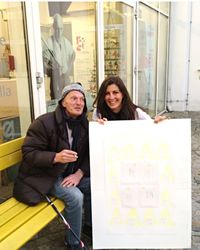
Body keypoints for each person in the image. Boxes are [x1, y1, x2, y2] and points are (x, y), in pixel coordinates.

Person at [13, 83, 91, 250]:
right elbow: (28, 153)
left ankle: (89, 226)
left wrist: (79, 174)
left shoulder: (84, 124)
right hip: (44, 176)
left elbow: (88, 155)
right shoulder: (44, 122)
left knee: (93, 184)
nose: (79, 103)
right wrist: (55, 157)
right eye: (73, 98)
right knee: (75, 197)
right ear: (63, 102)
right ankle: (73, 243)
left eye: (82, 99)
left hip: (70, 173)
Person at [92, 75, 166, 123]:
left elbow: (150, 126)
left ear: (123, 94)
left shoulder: (136, 112)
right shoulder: (98, 112)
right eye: (107, 93)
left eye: (115, 92)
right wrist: (98, 126)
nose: (111, 97)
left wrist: (157, 122)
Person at [43, 13, 75, 99]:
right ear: (53, 27)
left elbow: (72, 56)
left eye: (61, 29)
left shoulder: (66, 42)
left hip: (65, 77)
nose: (59, 32)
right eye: (57, 29)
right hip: (55, 78)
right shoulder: (49, 42)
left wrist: (68, 69)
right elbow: (44, 63)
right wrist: (51, 67)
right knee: (56, 98)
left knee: (68, 97)